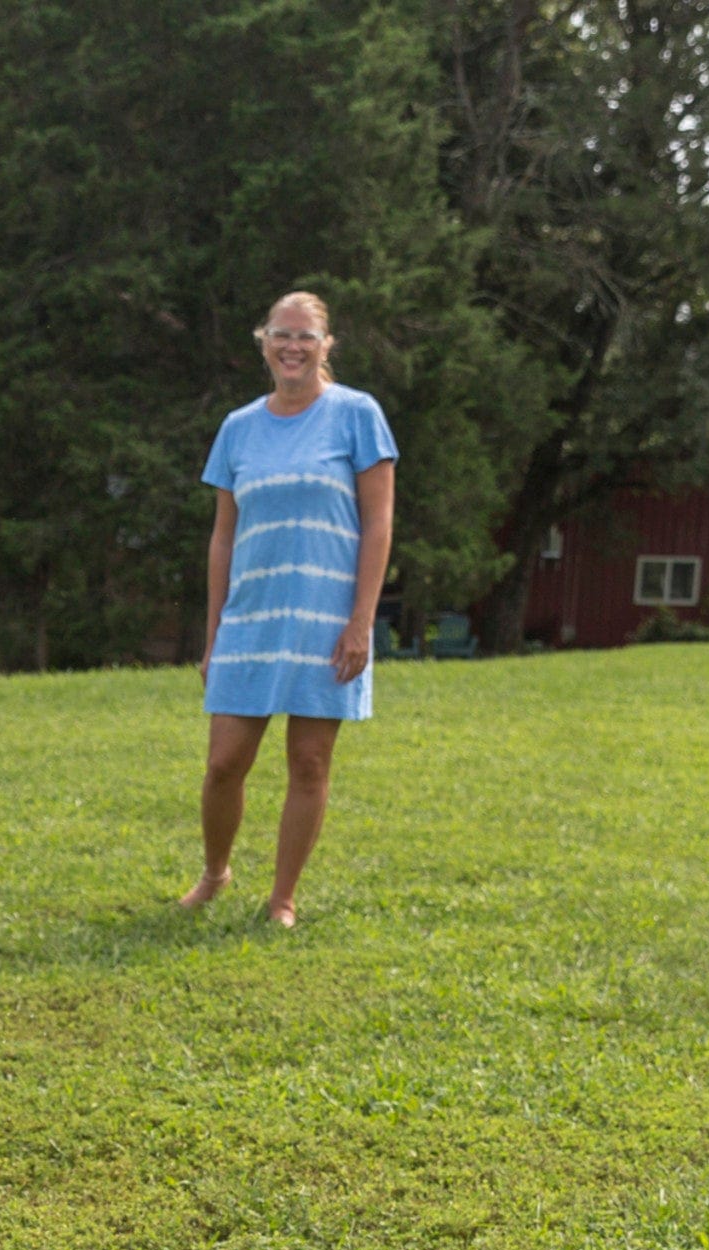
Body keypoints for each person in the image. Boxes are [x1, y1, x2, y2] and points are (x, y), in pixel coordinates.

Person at [180, 291, 396, 930]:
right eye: (281, 335)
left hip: (325, 620)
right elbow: (223, 535)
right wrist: (213, 632)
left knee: (308, 762)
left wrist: (361, 621)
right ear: (264, 343)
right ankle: (215, 871)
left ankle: (281, 899)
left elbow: (379, 521)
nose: (292, 347)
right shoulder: (238, 427)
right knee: (224, 763)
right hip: (251, 619)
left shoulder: (357, 415)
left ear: (326, 345)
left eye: (306, 336)